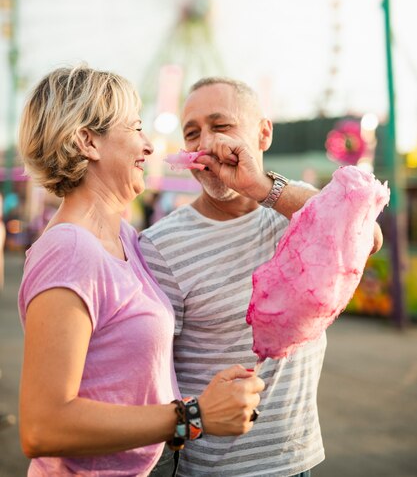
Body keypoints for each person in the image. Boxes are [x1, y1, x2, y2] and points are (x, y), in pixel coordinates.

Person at [17, 67, 264, 477]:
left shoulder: (127, 239)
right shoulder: (69, 250)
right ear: (86, 141)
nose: (149, 145)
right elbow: (43, 426)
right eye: (134, 127)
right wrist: (192, 415)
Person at [140, 76, 383, 477]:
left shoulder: (294, 205)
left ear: (263, 134)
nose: (205, 144)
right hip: (207, 469)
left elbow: (367, 235)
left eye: (221, 127)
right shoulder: (160, 245)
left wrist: (261, 188)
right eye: (192, 133)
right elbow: (154, 374)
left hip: (296, 460)